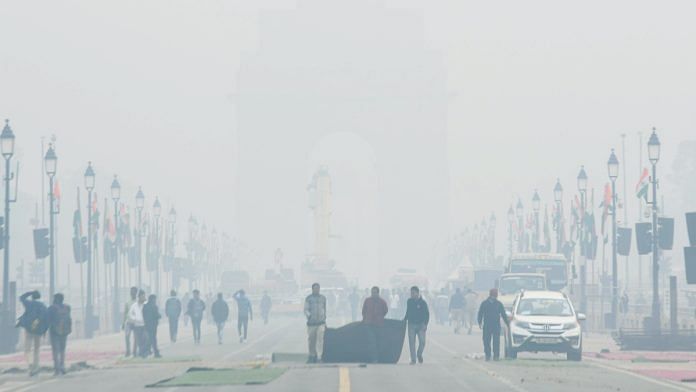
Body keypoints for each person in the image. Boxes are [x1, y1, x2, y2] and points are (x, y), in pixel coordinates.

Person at [17, 290, 48, 376]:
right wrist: (44, 330)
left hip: (29, 329)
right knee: (37, 349)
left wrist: (29, 292)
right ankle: (36, 366)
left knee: (27, 349)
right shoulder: (42, 306)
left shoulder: (29, 303)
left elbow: (21, 297)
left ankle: (30, 364)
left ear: (32, 297)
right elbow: (46, 318)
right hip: (38, 331)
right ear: (39, 297)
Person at [477, 288, 509, 361]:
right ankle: (488, 355)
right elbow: (480, 313)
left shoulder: (498, 304)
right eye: (495, 294)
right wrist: (479, 322)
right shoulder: (485, 303)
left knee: (496, 341)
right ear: (492, 294)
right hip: (487, 326)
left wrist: (507, 323)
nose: (496, 296)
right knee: (486, 341)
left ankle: (496, 356)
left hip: (495, 326)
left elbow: (503, 314)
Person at [47, 293, 71, 375]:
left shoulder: (51, 308)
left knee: (55, 350)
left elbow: (48, 319)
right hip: (64, 331)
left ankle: (57, 368)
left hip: (54, 331)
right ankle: (62, 366)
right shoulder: (67, 307)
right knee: (62, 349)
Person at [362, 286, 388, 363]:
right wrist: (365, 318)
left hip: (378, 324)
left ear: (378, 293)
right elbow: (364, 311)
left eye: (374, 292)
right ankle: (374, 359)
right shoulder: (367, 300)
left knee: (379, 342)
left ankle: (378, 358)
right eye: (372, 292)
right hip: (368, 324)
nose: (373, 294)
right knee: (372, 341)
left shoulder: (382, 302)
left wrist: (379, 317)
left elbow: (385, 311)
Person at [403, 286, 429, 365]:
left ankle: (419, 354)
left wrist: (425, 324)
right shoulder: (409, 301)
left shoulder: (423, 303)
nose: (411, 294)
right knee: (411, 343)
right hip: (411, 324)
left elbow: (427, 314)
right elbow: (408, 311)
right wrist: (404, 320)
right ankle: (413, 359)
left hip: (421, 325)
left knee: (422, 342)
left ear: (418, 293)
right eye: (411, 293)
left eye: (413, 293)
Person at [304, 283, 327, 363]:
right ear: (312, 289)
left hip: (321, 323)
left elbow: (324, 309)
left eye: (318, 288)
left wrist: (324, 319)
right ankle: (312, 355)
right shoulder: (308, 298)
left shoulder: (323, 298)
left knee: (320, 340)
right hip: (311, 324)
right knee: (311, 340)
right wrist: (309, 316)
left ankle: (319, 357)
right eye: (315, 288)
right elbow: (306, 309)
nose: (317, 290)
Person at [128, 290, 148, 358]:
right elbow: (130, 314)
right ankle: (140, 352)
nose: (143, 298)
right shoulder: (134, 306)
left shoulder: (146, 305)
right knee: (138, 340)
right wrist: (135, 319)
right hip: (137, 325)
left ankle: (143, 353)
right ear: (139, 297)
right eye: (142, 296)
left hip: (144, 325)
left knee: (145, 338)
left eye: (144, 296)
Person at [122, 287, 138, 356]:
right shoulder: (127, 302)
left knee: (136, 337)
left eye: (133, 292)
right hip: (128, 322)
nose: (132, 293)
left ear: (136, 293)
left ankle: (134, 351)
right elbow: (125, 313)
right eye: (131, 292)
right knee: (127, 336)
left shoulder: (138, 302)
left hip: (136, 322)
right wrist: (123, 323)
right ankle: (128, 351)